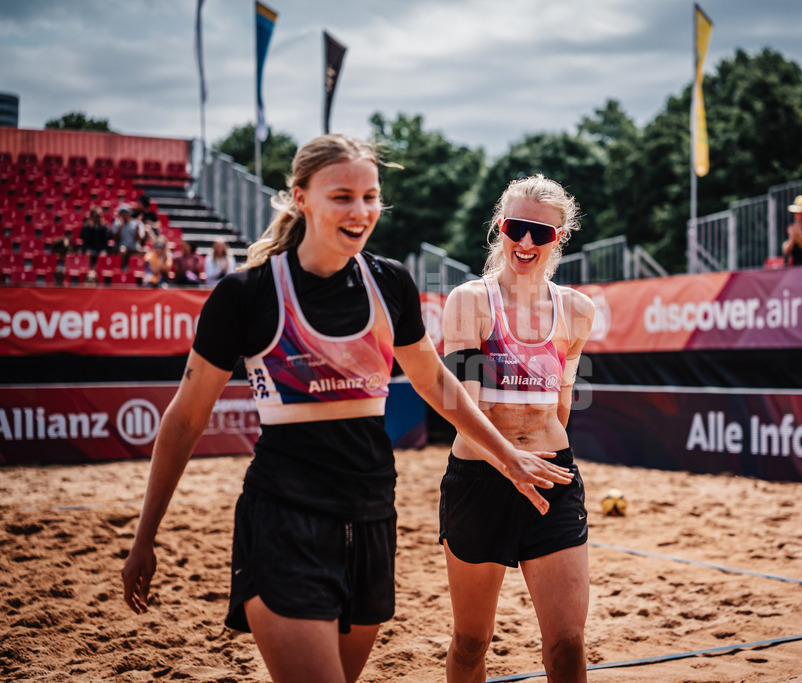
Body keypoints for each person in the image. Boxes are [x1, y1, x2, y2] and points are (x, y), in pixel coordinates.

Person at [120, 134, 573, 683]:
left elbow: (434, 382)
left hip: (371, 517)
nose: (360, 211)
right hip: (284, 514)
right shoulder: (246, 295)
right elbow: (186, 418)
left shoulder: (390, 284)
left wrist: (508, 455)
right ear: (300, 197)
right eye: (342, 196)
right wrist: (145, 537)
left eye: (370, 196)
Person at [439, 174, 596, 682]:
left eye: (541, 233)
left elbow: (564, 402)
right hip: (482, 478)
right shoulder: (470, 301)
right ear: (499, 227)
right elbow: (462, 404)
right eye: (516, 227)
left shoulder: (577, 310)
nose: (526, 242)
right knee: (470, 642)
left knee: (568, 644)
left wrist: (542, 454)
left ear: (559, 238)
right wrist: (511, 458)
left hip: (552, 476)